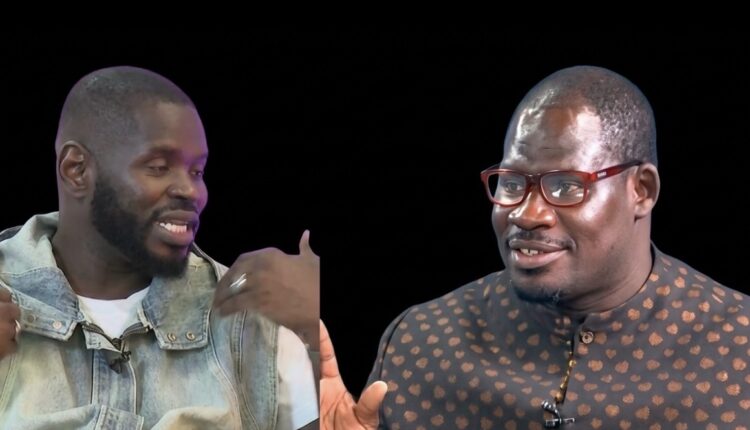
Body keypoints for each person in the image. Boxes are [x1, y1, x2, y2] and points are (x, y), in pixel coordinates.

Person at [320, 65, 750, 429]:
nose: (527, 214)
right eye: (511, 184)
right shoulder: (421, 342)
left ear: (642, 190)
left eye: (566, 186)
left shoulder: (739, 347)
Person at [0, 66, 319, 429]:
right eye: (158, 167)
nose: (191, 191)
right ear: (77, 170)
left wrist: (314, 334)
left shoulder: (256, 322)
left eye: (197, 171)